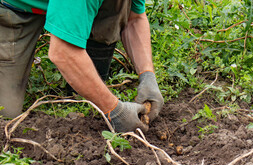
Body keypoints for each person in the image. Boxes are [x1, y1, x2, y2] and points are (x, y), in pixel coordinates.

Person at [0, 0, 164, 133]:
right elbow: (62, 53)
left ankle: (84, 92)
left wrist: (147, 75)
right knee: (5, 116)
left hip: (66, 4)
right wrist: (116, 111)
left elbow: (134, 18)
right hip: (14, 8)